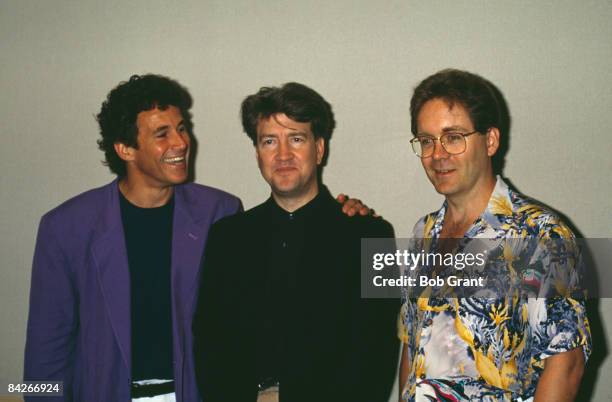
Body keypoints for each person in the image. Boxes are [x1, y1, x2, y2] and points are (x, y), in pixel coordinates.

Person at [24, 74, 368, 402]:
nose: (181, 143)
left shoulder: (219, 213)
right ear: (125, 149)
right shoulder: (65, 229)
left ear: (319, 148)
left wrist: (347, 220)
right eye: (162, 134)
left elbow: (371, 352)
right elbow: (43, 360)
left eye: (181, 129)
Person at [193, 82, 399, 402]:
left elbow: (379, 354)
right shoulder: (226, 238)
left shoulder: (374, 236)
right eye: (269, 141)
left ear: (319, 149)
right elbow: (209, 345)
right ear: (257, 153)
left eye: (296, 139)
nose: (283, 155)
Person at [397, 69, 591, 401]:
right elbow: (413, 343)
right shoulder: (423, 232)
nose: (437, 154)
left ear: (490, 141)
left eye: (454, 137)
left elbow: (566, 363)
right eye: (426, 140)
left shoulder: (540, 234)